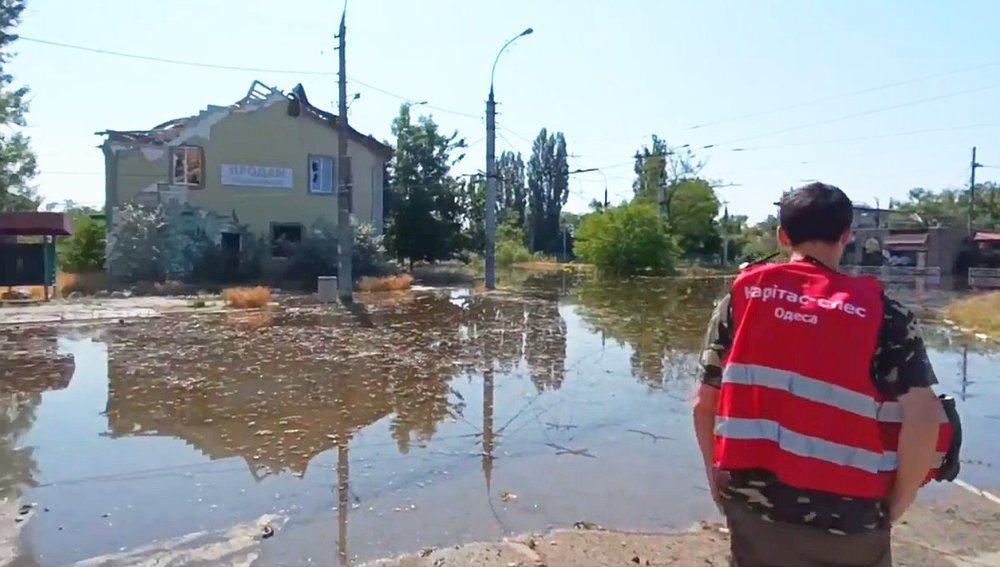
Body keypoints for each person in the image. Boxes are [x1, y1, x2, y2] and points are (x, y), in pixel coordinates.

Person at [692, 182, 952, 567]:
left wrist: (716, 479)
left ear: (782, 236)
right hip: (851, 515)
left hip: (752, 501)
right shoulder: (886, 314)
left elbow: (704, 402)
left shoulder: (742, 298)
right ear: (847, 235)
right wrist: (900, 499)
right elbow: (925, 416)